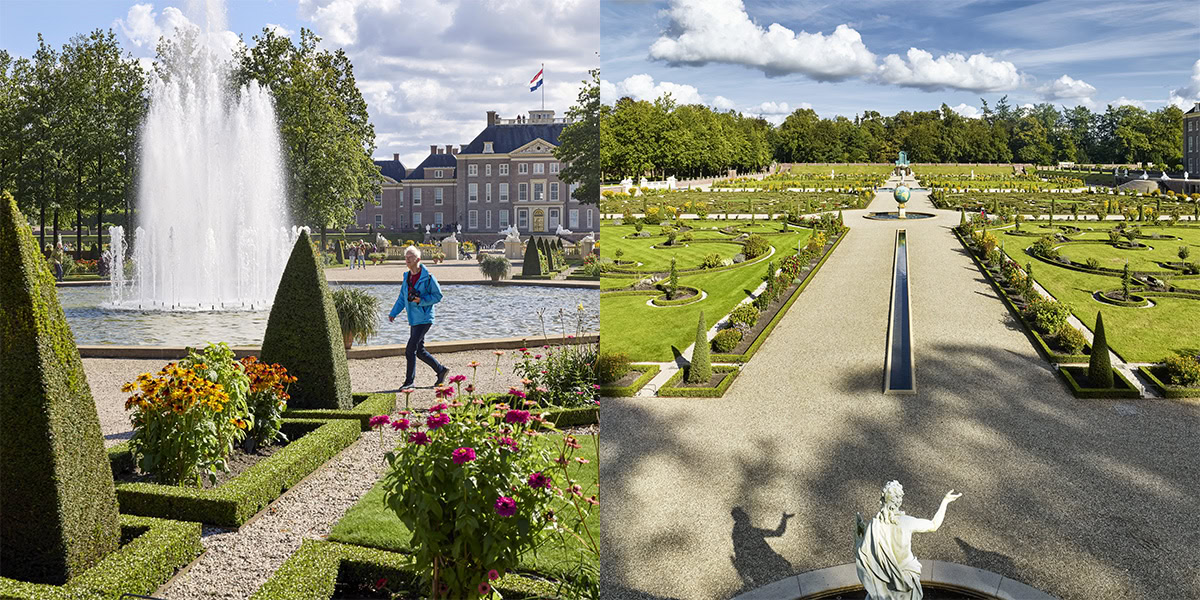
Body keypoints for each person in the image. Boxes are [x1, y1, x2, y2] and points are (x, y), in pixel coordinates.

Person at [855, 481, 962, 600]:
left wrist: (860, 536)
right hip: (906, 577)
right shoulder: (907, 522)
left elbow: (864, 556)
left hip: (883, 580)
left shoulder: (874, 526)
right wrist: (945, 502)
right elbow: (933, 525)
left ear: (883, 500)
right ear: (899, 501)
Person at [389, 245, 449, 387]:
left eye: (410, 257)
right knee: (420, 351)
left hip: (425, 318)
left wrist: (421, 301)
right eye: (406, 257)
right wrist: (393, 313)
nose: (407, 260)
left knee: (410, 349)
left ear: (418, 259)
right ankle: (441, 370)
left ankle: (409, 381)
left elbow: (438, 296)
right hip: (413, 319)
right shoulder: (406, 277)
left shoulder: (428, 278)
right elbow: (402, 298)